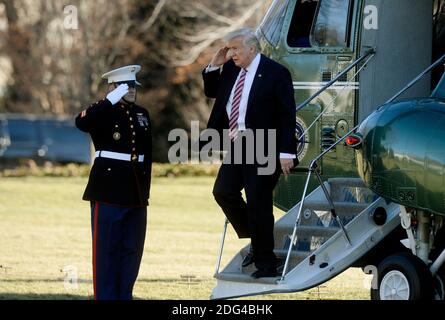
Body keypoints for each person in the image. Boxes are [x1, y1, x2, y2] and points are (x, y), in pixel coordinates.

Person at [202, 28, 298, 278]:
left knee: (258, 202)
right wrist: (214, 65)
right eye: (230, 49)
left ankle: (266, 263)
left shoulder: (276, 73)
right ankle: (259, 242)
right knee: (223, 192)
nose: (231, 53)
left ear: (251, 49)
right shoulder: (232, 69)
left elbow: (287, 114)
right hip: (238, 145)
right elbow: (212, 93)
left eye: (235, 49)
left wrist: (286, 151)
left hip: (266, 145)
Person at [75, 65, 152, 300]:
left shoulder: (142, 114)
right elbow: (82, 123)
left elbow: (146, 154)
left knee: (131, 250)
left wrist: (145, 192)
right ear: (112, 88)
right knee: (107, 252)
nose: (131, 90)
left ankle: (124, 295)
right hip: (108, 190)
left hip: (135, 191)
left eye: (133, 86)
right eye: (124, 87)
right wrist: (109, 100)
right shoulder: (103, 112)